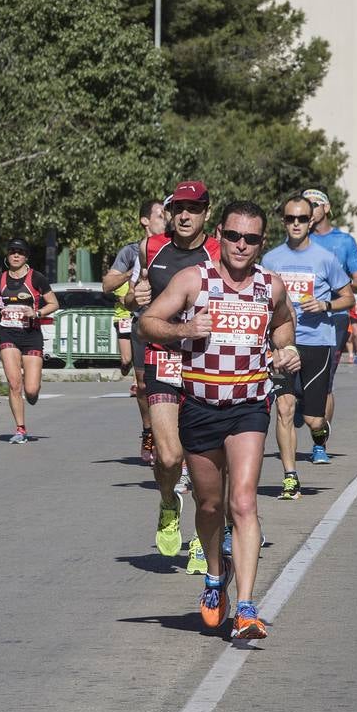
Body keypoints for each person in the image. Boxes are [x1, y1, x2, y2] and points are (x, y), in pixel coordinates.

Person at [139, 200, 299, 640]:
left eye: (251, 239)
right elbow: (147, 323)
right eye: (233, 236)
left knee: (243, 502)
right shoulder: (194, 280)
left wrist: (286, 350)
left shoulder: (271, 285)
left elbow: (284, 325)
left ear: (261, 242)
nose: (241, 246)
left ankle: (246, 606)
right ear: (221, 236)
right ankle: (215, 575)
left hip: (249, 405)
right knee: (210, 505)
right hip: (200, 405)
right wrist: (183, 331)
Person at [124, 182, 220, 568]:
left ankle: (203, 535)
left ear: (206, 214)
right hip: (163, 357)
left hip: (207, 361)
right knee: (167, 456)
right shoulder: (152, 248)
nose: (184, 215)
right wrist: (135, 298)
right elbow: (135, 295)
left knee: (203, 458)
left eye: (193, 209)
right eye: (178, 208)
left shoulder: (220, 252)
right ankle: (168, 503)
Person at [262, 193, 354, 496]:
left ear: (311, 220)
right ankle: (290, 475)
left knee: (314, 419)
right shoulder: (271, 259)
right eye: (291, 218)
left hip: (318, 342)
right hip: (283, 342)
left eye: (302, 218)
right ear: (283, 221)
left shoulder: (325, 258)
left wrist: (325, 305)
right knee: (285, 408)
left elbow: (349, 297)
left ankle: (319, 434)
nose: (296, 224)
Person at [103, 199, 166, 464]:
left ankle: (172, 439)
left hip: (169, 325)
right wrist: (135, 270)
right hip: (141, 324)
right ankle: (149, 430)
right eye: (161, 215)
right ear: (145, 221)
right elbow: (107, 284)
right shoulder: (130, 251)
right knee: (142, 385)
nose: (167, 219)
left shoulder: (174, 249)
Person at [0, 238, 58, 444]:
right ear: (7, 256)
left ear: (26, 256)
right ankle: (20, 429)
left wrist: (37, 312)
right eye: (12, 252)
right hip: (8, 334)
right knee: (14, 383)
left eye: (20, 252)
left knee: (31, 390)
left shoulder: (37, 278)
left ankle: (32, 394)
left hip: (31, 335)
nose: (16, 255)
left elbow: (54, 303)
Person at [302, 189, 357, 416]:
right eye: (305, 205)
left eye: (314, 204)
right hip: (300, 319)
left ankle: (320, 442)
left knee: (325, 382)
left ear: (326, 208)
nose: (309, 209)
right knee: (296, 378)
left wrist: (333, 283)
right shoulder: (296, 239)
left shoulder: (344, 242)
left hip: (333, 319)